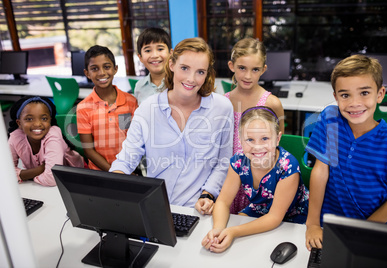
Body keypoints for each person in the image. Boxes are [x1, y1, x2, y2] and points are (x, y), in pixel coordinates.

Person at [110, 37, 234, 215]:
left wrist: (208, 194)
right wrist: (113, 185)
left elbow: (223, 162)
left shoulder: (222, 108)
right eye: (185, 68)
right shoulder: (147, 109)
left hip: (200, 210)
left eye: (200, 72)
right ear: (172, 65)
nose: (191, 79)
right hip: (156, 207)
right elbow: (127, 158)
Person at [305, 54, 387, 251]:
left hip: (377, 229)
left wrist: (361, 232)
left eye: (364, 93)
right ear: (336, 97)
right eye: (345, 95)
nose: (354, 103)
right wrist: (313, 224)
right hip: (330, 226)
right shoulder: (331, 119)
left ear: (380, 94)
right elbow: (320, 171)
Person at [201, 106, 308, 253]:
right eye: (250, 139)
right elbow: (223, 202)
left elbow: (275, 218)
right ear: (241, 140)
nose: (257, 147)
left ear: (277, 139)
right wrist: (218, 230)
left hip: (293, 218)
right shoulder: (239, 161)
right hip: (260, 210)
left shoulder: (288, 167)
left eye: (265, 138)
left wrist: (233, 231)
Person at [225, 38, 285, 214]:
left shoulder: (271, 103)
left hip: (259, 181)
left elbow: (278, 142)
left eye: (255, 69)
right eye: (242, 68)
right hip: (231, 179)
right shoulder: (224, 101)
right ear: (231, 66)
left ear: (263, 70)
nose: (248, 75)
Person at [77, 45, 138, 171]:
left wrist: (124, 171)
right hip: (101, 171)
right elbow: (88, 150)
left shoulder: (130, 102)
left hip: (129, 169)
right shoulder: (83, 108)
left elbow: (134, 141)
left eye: (107, 67)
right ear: (87, 73)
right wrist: (114, 172)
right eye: (94, 69)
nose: (102, 73)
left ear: (115, 69)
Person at [8, 96, 84, 186]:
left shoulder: (53, 134)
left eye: (44, 119)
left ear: (50, 121)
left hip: (74, 180)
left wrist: (26, 175)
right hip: (42, 185)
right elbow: (6, 172)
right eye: (29, 119)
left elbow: (51, 179)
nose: (37, 124)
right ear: (19, 123)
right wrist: (40, 170)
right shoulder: (15, 136)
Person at [134, 27, 172, 104]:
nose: (154, 55)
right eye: (148, 50)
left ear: (170, 53)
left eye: (160, 49)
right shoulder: (139, 87)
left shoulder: (179, 82)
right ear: (140, 57)